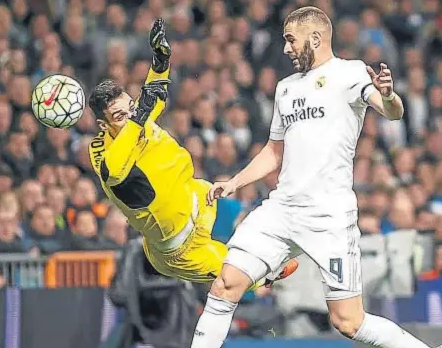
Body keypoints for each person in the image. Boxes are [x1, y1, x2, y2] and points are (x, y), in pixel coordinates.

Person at [137, 7, 442, 348]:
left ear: (317, 38)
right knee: (226, 284)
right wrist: (235, 181)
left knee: (348, 322)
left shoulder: (351, 73)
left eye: (292, 39)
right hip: (281, 209)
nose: (286, 47)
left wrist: (390, 95)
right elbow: (275, 150)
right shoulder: (286, 88)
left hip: (329, 215)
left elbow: (391, 110)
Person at [87, 19, 298, 291]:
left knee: (248, 214)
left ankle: (276, 240)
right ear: (103, 126)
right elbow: (114, 171)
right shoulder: (108, 157)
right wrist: (139, 116)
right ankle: (270, 273)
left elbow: (155, 98)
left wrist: (160, 64)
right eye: (119, 116)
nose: (129, 117)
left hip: (197, 195)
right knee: (240, 276)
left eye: (130, 108)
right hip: (180, 246)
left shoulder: (132, 120)